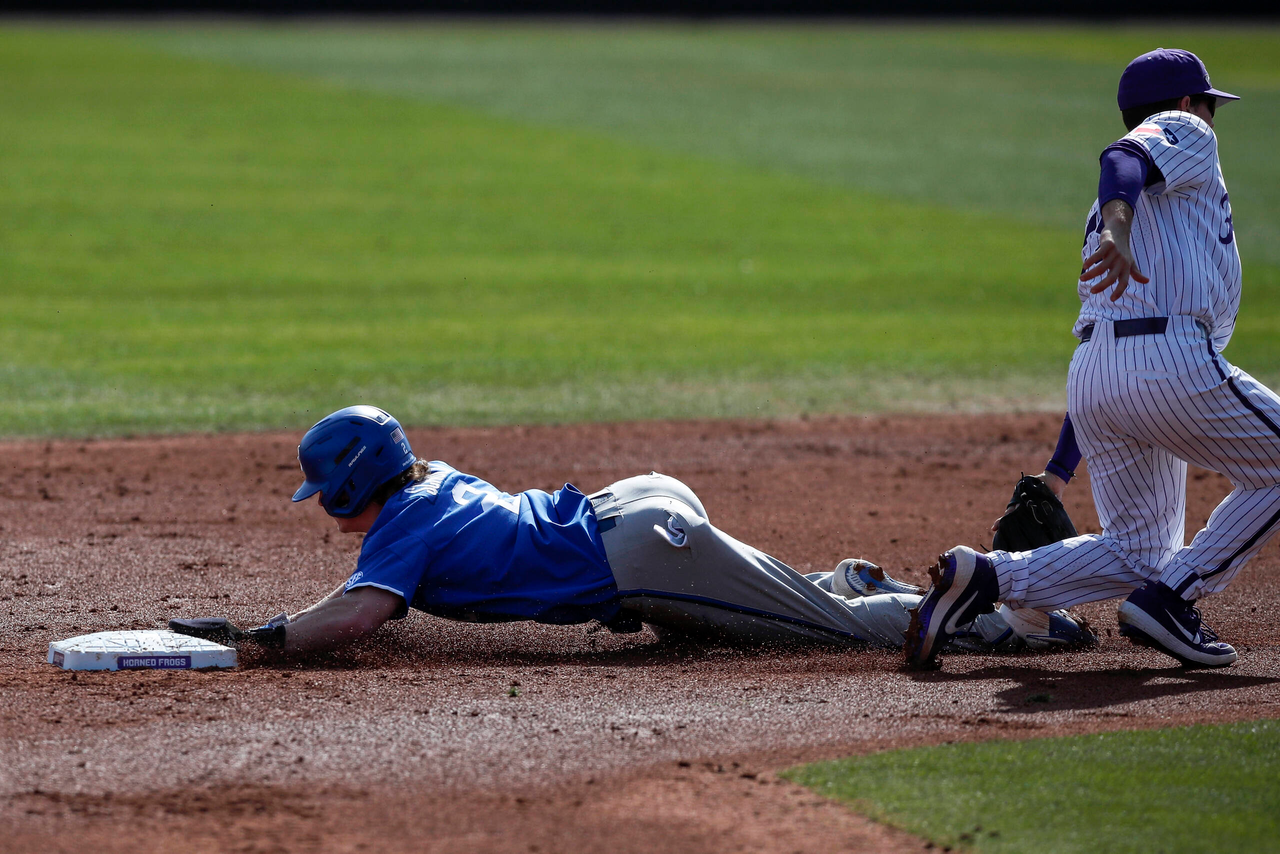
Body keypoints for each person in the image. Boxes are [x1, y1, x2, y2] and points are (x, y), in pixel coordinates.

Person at [175, 405, 1094, 657]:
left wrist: (268, 638)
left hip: (642, 550)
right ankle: (844, 577)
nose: (336, 521)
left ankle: (996, 614)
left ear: (352, 491)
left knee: (827, 638)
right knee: (762, 606)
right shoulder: (435, 478)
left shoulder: (401, 529)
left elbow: (359, 616)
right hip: (635, 506)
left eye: (333, 500)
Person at [905, 48, 1276, 670]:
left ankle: (986, 579)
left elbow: (1118, 361)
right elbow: (1122, 155)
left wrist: (1057, 468)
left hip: (1098, 376)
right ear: (1186, 106)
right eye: (1211, 106)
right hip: (1173, 362)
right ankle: (1175, 597)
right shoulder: (1182, 136)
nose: (1214, 118)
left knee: (1138, 552)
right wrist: (1116, 229)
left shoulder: (1147, 198)